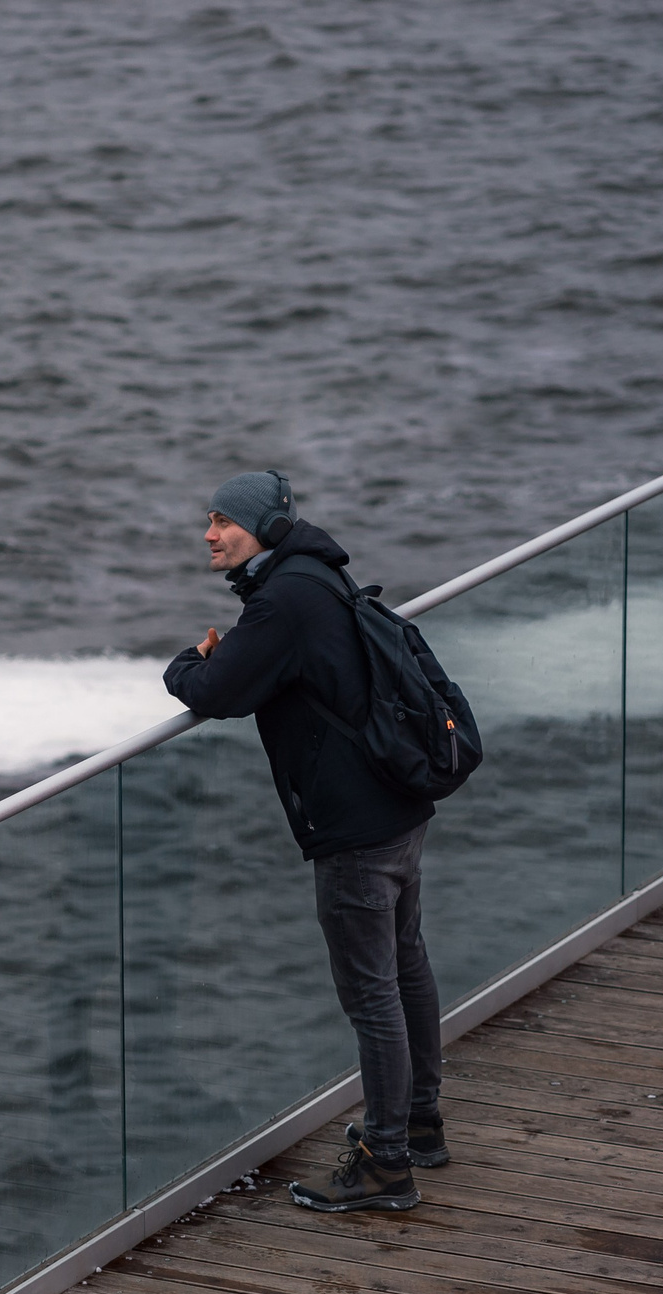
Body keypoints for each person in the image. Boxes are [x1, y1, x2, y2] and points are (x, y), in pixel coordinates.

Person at [163, 471, 445, 1213]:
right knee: (405, 964)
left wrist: (185, 665)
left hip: (354, 827)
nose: (209, 533)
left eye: (222, 519)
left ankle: (386, 1162)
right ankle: (420, 1124)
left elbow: (218, 691)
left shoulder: (283, 600)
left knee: (372, 993)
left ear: (258, 527)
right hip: (397, 804)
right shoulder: (315, 574)